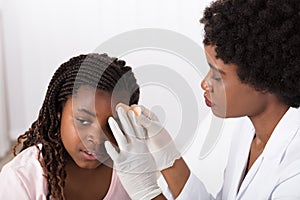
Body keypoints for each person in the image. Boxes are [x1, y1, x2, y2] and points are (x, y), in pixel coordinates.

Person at [104, 0, 300, 199]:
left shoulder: (295, 173)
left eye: (217, 75)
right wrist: (169, 159)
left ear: (262, 79)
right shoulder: (248, 130)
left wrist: (146, 192)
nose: (205, 84)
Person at [0, 53, 140, 199]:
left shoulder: (134, 172)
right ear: (58, 113)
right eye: (83, 121)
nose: (97, 139)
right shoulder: (21, 180)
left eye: (112, 125)